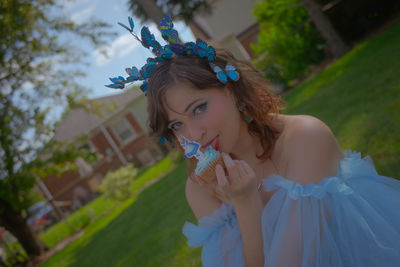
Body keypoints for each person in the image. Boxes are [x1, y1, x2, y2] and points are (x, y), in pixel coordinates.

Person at [107, 16, 400, 267]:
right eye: (176, 124)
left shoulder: (305, 138)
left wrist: (246, 201)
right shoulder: (201, 187)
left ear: (232, 90)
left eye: (199, 108)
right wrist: (245, 204)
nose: (193, 135)